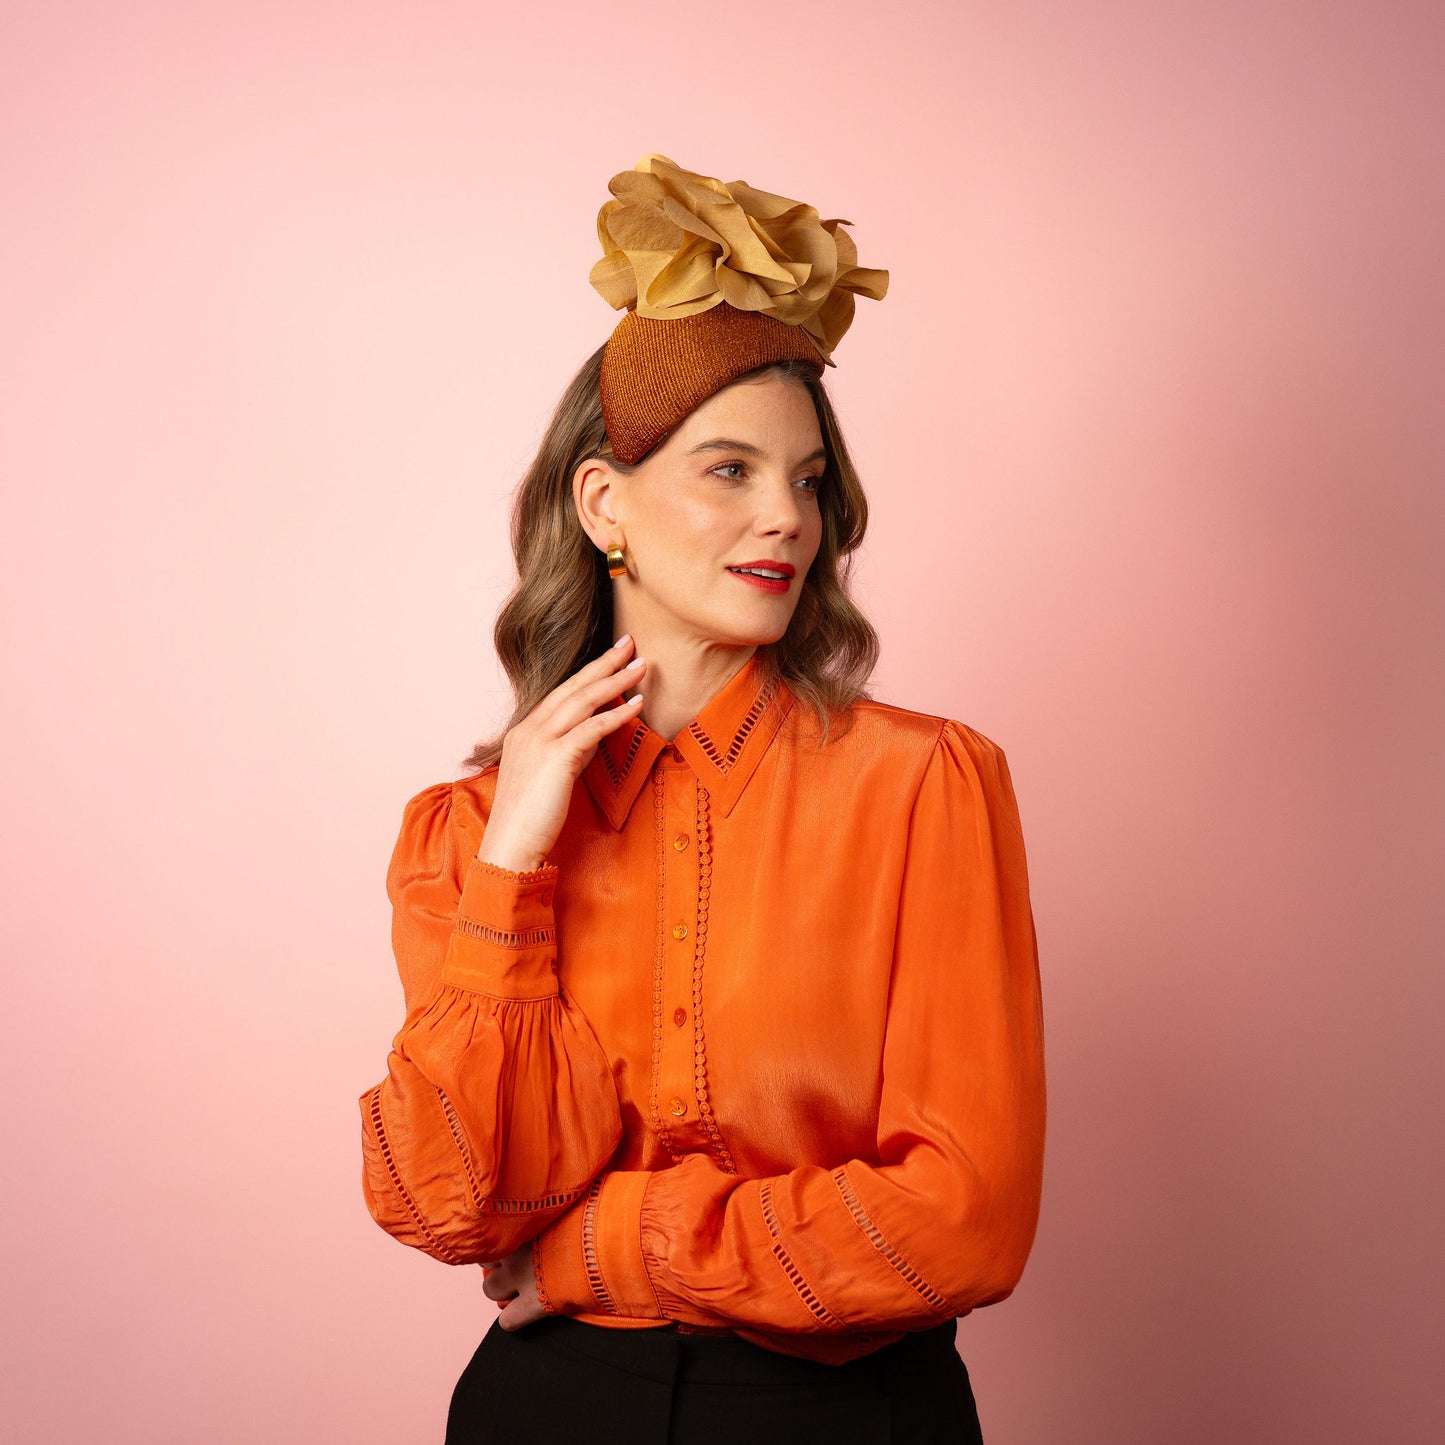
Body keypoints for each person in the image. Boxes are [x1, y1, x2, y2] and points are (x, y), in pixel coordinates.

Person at [359, 153, 1047, 1444]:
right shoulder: (463, 834)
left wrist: (601, 1243)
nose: (783, 514)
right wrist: (513, 864)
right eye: (729, 469)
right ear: (604, 505)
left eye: (805, 477)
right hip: (544, 1412)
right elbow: (452, 1205)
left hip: (845, 1414)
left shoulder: (924, 784)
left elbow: (965, 1214)